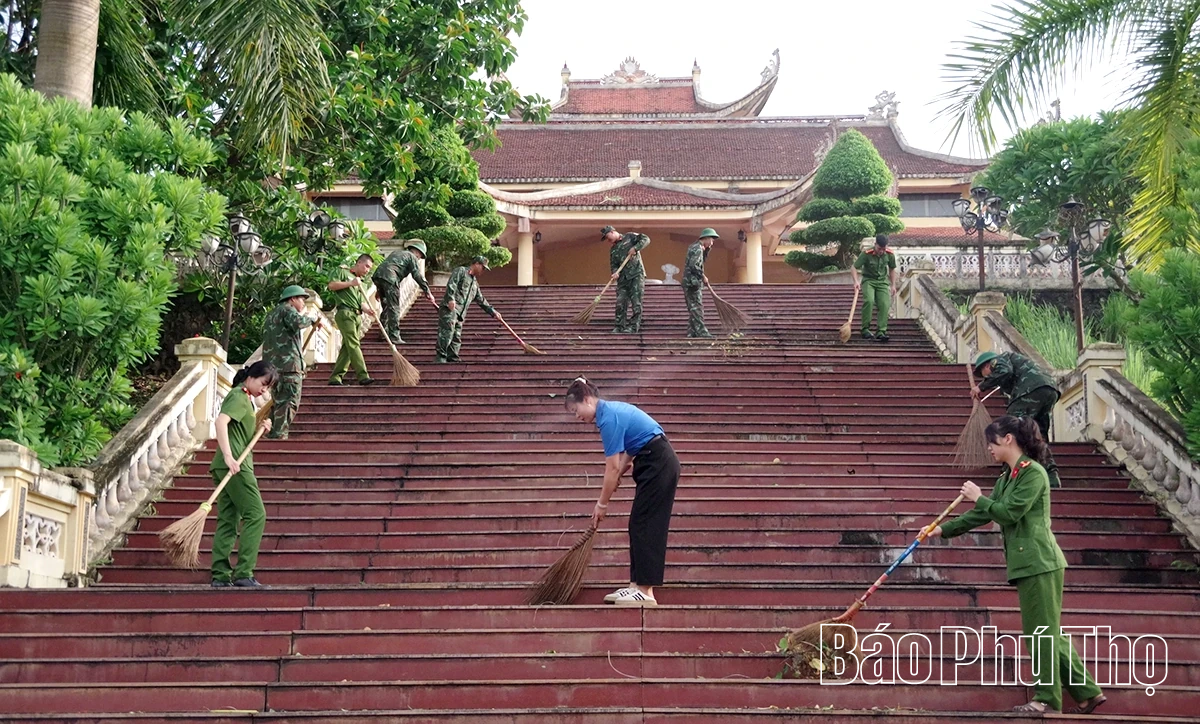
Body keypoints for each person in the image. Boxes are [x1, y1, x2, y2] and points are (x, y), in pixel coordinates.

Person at [928, 416, 1105, 715]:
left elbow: (1008, 512)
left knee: (1040, 634)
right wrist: (942, 529)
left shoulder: (1033, 473)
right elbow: (984, 514)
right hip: (1028, 563)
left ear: (1008, 438)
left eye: (992, 442)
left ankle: (1046, 700)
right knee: (1048, 631)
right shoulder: (1007, 478)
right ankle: (1087, 693)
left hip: (1039, 561)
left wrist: (979, 497)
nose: (988, 448)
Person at [565, 377, 680, 607]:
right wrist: (620, 472)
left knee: (645, 524)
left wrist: (602, 504)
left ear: (587, 400)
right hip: (651, 460)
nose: (577, 416)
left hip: (659, 462)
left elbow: (613, 467)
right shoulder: (609, 412)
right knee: (637, 523)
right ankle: (635, 586)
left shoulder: (608, 418)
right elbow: (630, 451)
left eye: (575, 410)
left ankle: (646, 591)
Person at [210, 360, 277, 588]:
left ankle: (220, 575)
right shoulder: (239, 396)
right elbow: (220, 422)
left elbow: (238, 431)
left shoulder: (245, 399)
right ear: (251, 377)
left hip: (227, 465)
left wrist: (260, 428)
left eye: (268, 387)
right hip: (235, 466)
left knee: (228, 519)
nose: (264, 390)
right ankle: (243, 572)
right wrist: (229, 456)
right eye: (263, 383)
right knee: (256, 514)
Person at [972, 350, 1062, 488]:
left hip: (1030, 389)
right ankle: (1051, 476)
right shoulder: (1015, 363)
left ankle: (1007, 474)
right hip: (1049, 390)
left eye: (985, 375)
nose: (987, 377)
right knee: (1038, 434)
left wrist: (981, 387)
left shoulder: (999, 360)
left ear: (986, 366)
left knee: (1010, 429)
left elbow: (1004, 371)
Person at [261, 285, 322, 439]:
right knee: (289, 402)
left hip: (272, 368)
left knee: (279, 402)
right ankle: (278, 435)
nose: (303, 303)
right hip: (288, 367)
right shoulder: (288, 310)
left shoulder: (271, 315)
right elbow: (299, 322)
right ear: (293, 299)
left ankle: (273, 433)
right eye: (302, 299)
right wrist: (312, 319)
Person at [436, 255, 502, 363]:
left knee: (456, 336)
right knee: (447, 333)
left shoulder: (474, 284)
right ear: (476, 264)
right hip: (450, 309)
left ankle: (453, 358)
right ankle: (441, 358)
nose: (483, 270)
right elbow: (452, 284)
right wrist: (450, 299)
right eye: (483, 267)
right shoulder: (461, 271)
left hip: (461, 314)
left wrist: (492, 311)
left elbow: (481, 300)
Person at [326, 253, 378, 386]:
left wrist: (368, 310)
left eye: (369, 268)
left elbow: (361, 302)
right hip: (345, 313)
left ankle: (336, 377)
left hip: (357, 315)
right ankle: (363, 375)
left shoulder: (361, 283)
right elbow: (331, 285)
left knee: (347, 347)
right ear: (359, 263)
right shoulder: (342, 272)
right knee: (354, 344)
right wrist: (351, 283)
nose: (367, 270)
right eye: (366, 266)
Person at [372, 239, 437, 345]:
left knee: (387, 307)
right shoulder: (411, 257)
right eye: (420, 256)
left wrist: (379, 289)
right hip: (390, 278)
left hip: (378, 277)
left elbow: (386, 268)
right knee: (394, 308)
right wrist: (427, 291)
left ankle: (383, 334)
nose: (419, 258)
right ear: (417, 252)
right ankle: (394, 336)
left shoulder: (397, 253)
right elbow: (417, 275)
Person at [603, 225, 650, 334]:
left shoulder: (630, 237)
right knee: (620, 302)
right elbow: (614, 264)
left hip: (636, 275)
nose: (608, 240)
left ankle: (633, 327)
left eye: (608, 237)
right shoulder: (613, 250)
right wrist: (615, 272)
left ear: (612, 232)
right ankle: (619, 326)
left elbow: (646, 239)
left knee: (636, 302)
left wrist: (635, 248)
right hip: (623, 279)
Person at [850, 234, 898, 342]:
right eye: (879, 248)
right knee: (869, 301)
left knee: (884, 304)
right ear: (875, 244)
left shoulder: (889, 254)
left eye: (883, 249)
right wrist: (856, 281)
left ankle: (881, 331)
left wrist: (893, 285)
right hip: (869, 281)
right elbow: (854, 267)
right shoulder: (866, 254)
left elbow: (892, 269)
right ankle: (865, 329)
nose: (881, 251)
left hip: (882, 282)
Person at [682, 228, 718, 338]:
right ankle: (702, 332)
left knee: (693, 308)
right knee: (697, 308)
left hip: (689, 282)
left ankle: (691, 332)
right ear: (705, 238)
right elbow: (693, 265)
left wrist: (707, 250)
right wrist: (703, 276)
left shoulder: (695, 247)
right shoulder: (697, 249)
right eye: (711, 240)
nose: (712, 243)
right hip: (692, 283)